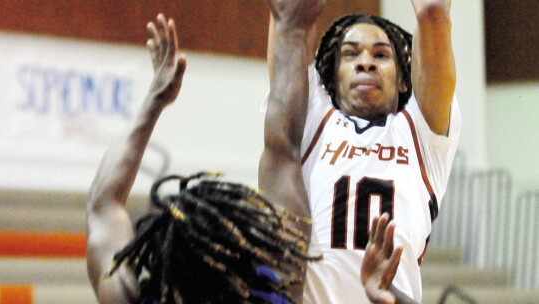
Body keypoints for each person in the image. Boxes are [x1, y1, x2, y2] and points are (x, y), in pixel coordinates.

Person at [86, 2, 326, 302]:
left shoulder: (132, 297)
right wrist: (291, 30)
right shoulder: (274, 292)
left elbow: (103, 205)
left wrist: (154, 100)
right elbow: (284, 152)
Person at [266, 0, 461, 303]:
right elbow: (288, 27)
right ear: (333, 74)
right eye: (351, 53)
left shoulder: (420, 136)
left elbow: (433, 18)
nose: (366, 62)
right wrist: (287, 19)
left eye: (381, 54)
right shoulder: (315, 120)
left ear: (403, 79)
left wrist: (432, 13)